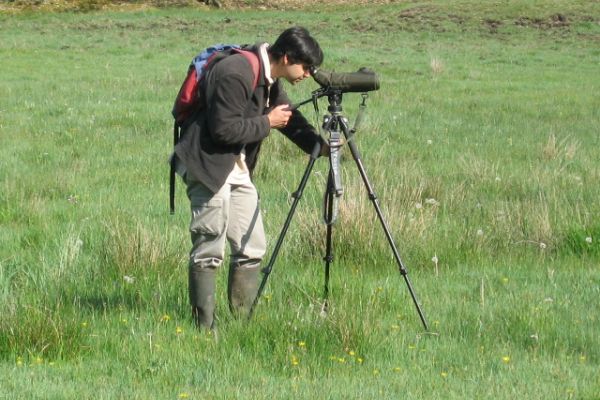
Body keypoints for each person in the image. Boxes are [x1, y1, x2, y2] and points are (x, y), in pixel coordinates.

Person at [172, 27, 325, 330]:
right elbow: (223, 130)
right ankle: (204, 329)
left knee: (252, 245)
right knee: (209, 247)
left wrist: (319, 145)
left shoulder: (268, 78)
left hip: (236, 167)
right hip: (207, 163)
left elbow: (289, 118)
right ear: (286, 57)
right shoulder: (236, 71)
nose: (308, 74)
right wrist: (267, 122)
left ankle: (242, 324)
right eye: (305, 67)